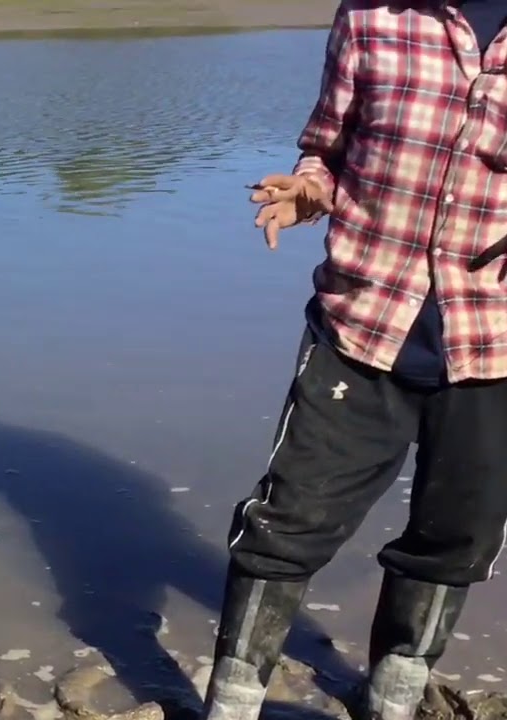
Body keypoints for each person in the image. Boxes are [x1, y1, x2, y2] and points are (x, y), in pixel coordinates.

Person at [200, 3, 507, 720]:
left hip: (492, 342)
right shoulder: (373, 13)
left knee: (456, 535)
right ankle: (233, 702)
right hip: (363, 324)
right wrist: (308, 191)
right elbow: (328, 151)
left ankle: (393, 697)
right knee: (286, 524)